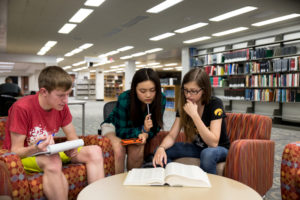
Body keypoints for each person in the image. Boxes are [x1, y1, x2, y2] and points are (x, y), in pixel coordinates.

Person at [3, 66, 104, 200]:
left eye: (68, 94)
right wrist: (35, 148)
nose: (66, 100)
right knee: (54, 160)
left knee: (95, 151)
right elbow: (15, 151)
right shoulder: (22, 108)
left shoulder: (61, 107)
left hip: (48, 151)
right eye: (61, 95)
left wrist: (72, 147)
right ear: (44, 91)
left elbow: (72, 136)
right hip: (22, 158)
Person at [152, 68, 230, 174]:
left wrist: (195, 115)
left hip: (219, 149)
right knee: (160, 151)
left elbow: (213, 142)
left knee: (207, 154)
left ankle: (209, 187)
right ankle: (173, 178)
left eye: (193, 91)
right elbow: (172, 136)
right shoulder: (184, 105)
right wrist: (161, 147)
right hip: (197, 148)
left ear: (204, 90)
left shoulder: (215, 104)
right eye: (186, 90)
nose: (188, 95)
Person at [101, 68, 166, 174]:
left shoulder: (160, 99)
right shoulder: (124, 98)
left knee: (138, 146)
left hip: (138, 130)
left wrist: (145, 134)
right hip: (114, 126)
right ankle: (117, 183)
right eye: (143, 91)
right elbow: (120, 131)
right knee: (118, 149)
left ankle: (133, 179)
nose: (148, 95)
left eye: (152, 90)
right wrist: (142, 130)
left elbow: (156, 126)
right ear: (134, 89)